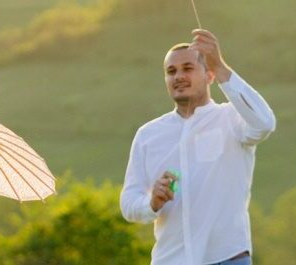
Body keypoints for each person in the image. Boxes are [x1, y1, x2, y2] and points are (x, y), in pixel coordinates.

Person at [119, 29, 277, 265]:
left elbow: (265, 123)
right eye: (171, 71)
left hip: (227, 257)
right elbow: (128, 204)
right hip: (170, 259)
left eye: (188, 68)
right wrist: (151, 202)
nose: (179, 76)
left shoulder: (232, 119)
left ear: (209, 75)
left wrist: (221, 66)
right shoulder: (148, 135)